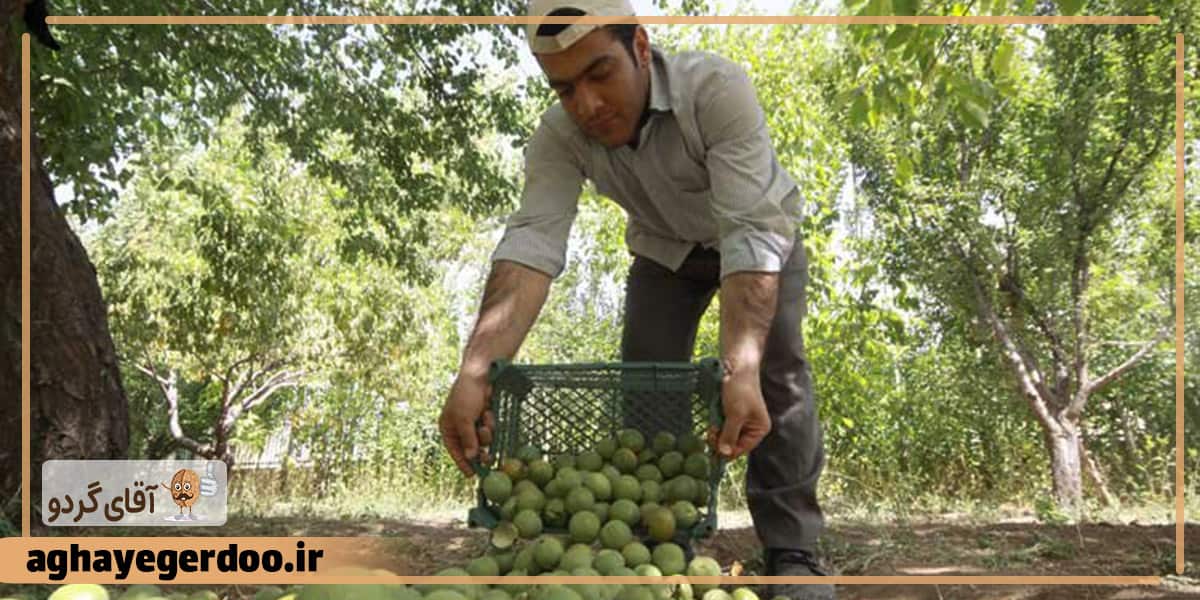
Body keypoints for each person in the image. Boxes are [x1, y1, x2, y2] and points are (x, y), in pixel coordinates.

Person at [438, 1, 833, 598]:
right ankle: (661, 542)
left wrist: (740, 366)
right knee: (648, 390)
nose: (587, 105)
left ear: (641, 48)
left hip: (758, 241)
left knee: (776, 377)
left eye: (600, 74)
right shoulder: (560, 135)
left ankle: (793, 548)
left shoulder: (715, 89)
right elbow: (533, 240)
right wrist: (473, 372)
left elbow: (750, 232)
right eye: (565, 88)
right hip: (664, 254)